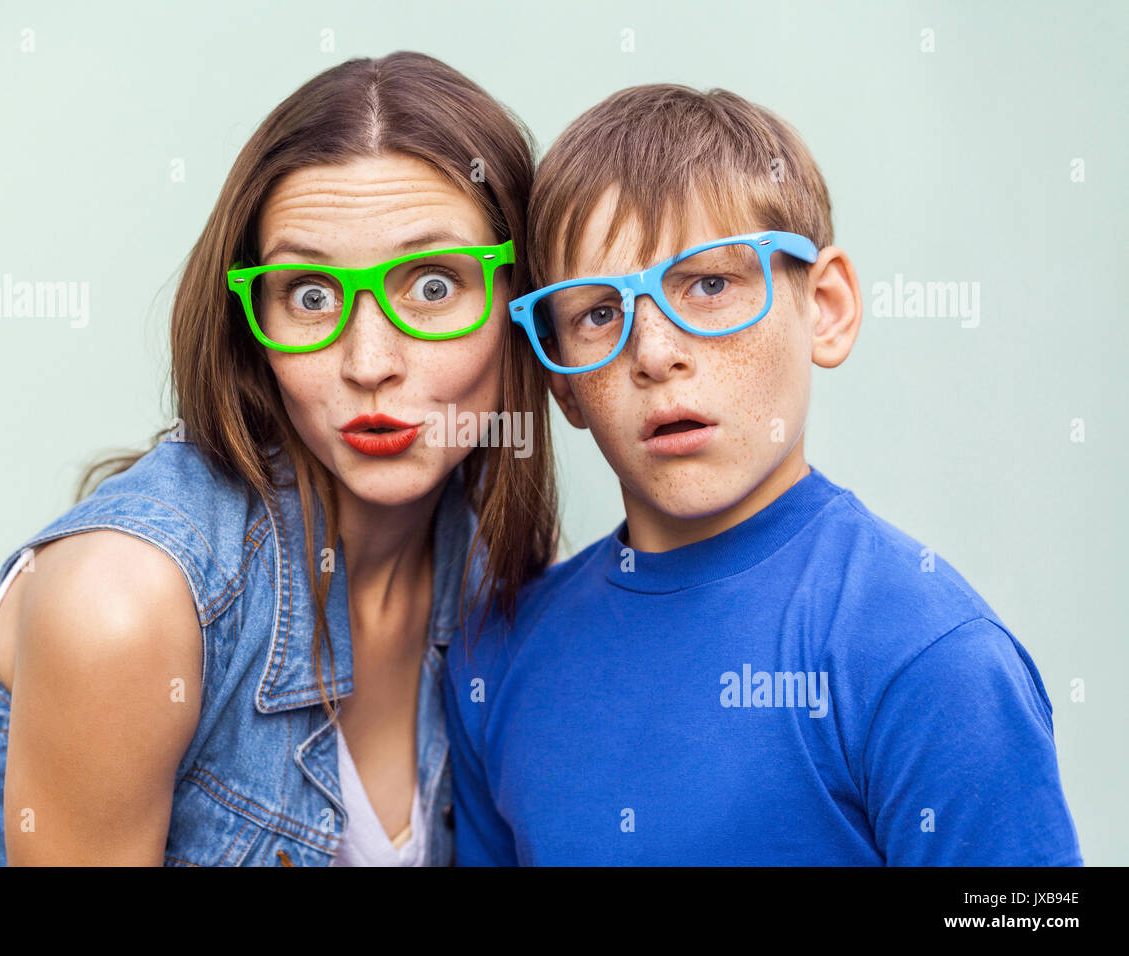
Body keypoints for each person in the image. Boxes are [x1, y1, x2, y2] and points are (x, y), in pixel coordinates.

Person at [0, 51, 556, 867]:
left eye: (434, 285)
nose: (369, 360)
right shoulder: (127, 602)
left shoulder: (491, 574)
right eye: (311, 295)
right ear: (251, 329)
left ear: (522, 303)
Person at [443, 84, 1083, 865]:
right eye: (599, 313)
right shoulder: (496, 658)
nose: (654, 354)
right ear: (562, 382)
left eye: (709, 285)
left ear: (827, 306)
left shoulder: (927, 656)